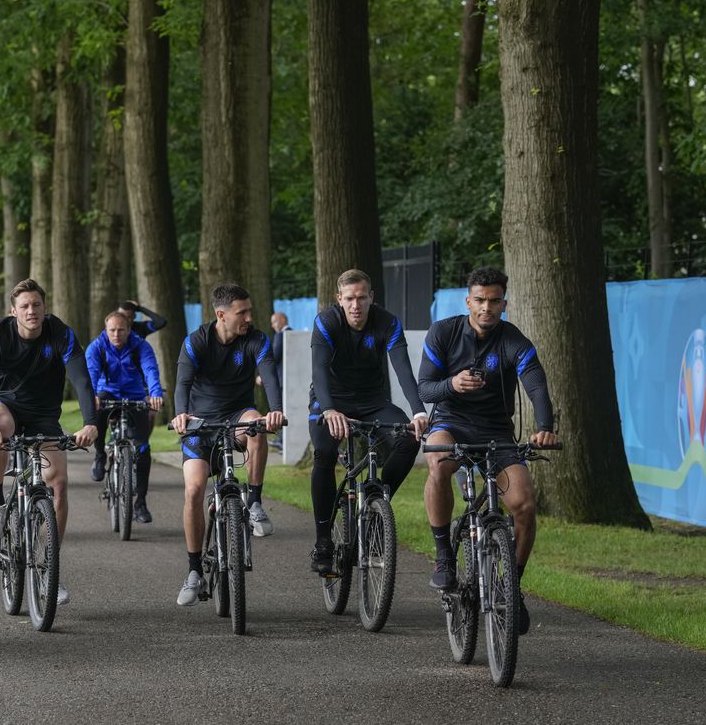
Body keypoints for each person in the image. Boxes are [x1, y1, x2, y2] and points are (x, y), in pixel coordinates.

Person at [418, 266, 556, 636]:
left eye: (495, 301)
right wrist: (452, 384)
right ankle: (444, 555)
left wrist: (545, 428)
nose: (486, 308)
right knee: (440, 462)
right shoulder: (443, 333)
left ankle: (511, 587)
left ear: (504, 303)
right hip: (450, 422)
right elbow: (424, 390)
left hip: (497, 432)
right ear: (468, 301)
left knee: (524, 506)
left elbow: (537, 385)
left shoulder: (514, 340)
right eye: (480, 300)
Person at [0, 279, 98, 606]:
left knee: (58, 482)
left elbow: (82, 380)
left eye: (37, 305)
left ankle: (48, 567)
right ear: (13, 311)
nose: (32, 311)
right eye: (25, 306)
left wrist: (91, 424)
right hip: (6, 404)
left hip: (44, 413)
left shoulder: (61, 334)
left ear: (45, 307)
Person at [170, 283, 285, 606]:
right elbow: (182, 384)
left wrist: (274, 410)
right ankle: (194, 571)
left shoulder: (256, 339)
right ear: (221, 315)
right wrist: (181, 415)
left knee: (257, 425)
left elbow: (269, 374)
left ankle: (255, 502)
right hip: (200, 423)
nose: (249, 317)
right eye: (242, 313)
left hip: (237, 415)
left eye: (250, 311)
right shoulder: (196, 341)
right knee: (193, 489)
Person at [307, 269, 428, 575]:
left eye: (362, 297)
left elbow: (403, 369)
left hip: (372, 401)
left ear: (371, 297)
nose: (356, 305)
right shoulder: (326, 322)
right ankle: (323, 541)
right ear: (339, 299)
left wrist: (418, 411)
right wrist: (330, 409)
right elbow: (319, 371)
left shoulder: (387, 322)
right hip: (331, 400)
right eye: (349, 298)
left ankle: (376, 504)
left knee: (408, 439)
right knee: (323, 454)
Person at [85, 311, 164, 523]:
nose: (116, 334)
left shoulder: (140, 346)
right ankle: (100, 454)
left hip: (134, 394)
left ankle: (140, 503)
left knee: (142, 447)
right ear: (105, 330)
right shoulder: (97, 347)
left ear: (129, 330)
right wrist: (92, 396)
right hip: (106, 393)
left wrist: (155, 394)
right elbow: (91, 373)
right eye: (112, 330)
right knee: (96, 419)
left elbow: (150, 370)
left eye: (121, 330)